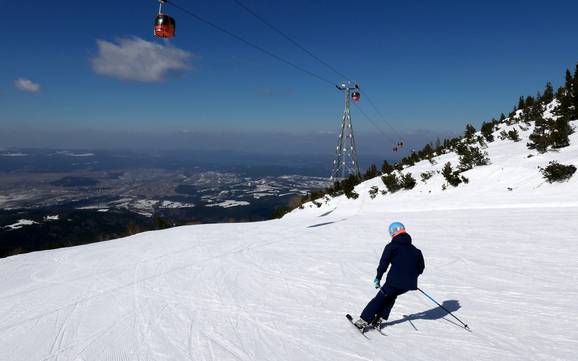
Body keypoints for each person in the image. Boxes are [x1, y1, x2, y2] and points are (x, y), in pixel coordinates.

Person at [354, 222, 425, 330]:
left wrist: (378, 278)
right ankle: (378, 319)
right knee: (391, 297)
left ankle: (363, 321)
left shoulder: (392, 247)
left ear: (392, 233)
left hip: (394, 282)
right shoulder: (416, 250)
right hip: (408, 285)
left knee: (379, 299)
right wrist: (410, 277)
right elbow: (421, 268)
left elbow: (383, 264)